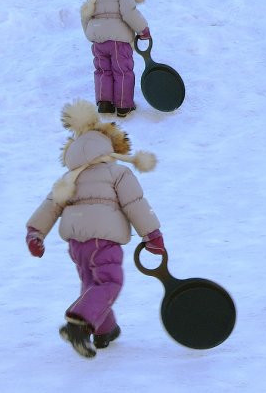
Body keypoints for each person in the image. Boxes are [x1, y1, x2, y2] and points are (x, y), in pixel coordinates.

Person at [25, 100, 164, 357]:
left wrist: (35, 232)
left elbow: (50, 205)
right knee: (110, 281)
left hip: (77, 244)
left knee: (93, 285)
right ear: (107, 145)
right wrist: (152, 235)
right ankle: (78, 323)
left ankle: (103, 330)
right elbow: (135, 204)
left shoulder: (70, 177)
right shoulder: (117, 172)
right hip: (104, 239)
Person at [81, 0, 150, 118]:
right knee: (122, 71)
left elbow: (84, 16)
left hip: (98, 41)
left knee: (103, 71)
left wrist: (91, 35)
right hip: (118, 42)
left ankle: (105, 103)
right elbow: (130, 13)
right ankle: (123, 105)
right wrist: (143, 30)